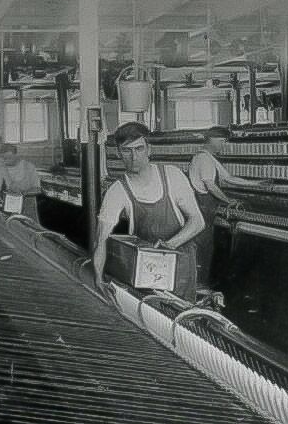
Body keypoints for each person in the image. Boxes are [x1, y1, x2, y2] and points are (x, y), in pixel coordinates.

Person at [93, 122, 205, 302]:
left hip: (180, 267)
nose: (134, 156)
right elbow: (101, 241)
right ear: (118, 153)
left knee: (182, 319)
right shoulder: (117, 191)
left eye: (139, 149)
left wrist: (170, 244)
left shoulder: (172, 176)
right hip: (145, 269)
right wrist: (98, 279)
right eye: (127, 151)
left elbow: (198, 221)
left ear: (148, 149)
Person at [188, 126, 263, 289]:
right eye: (221, 141)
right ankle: (200, 285)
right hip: (202, 207)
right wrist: (228, 201)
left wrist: (255, 183)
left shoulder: (208, 158)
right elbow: (211, 186)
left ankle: (201, 283)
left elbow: (228, 178)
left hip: (205, 207)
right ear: (211, 140)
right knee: (203, 246)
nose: (223, 145)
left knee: (205, 245)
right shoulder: (204, 159)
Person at [0, 144, 41, 221]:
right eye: (3, 158)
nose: (6, 160)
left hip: (27, 209)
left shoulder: (28, 167)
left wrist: (22, 193)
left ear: (16, 155)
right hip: (7, 210)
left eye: (9, 157)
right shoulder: (1, 168)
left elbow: (37, 189)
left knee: (28, 230)